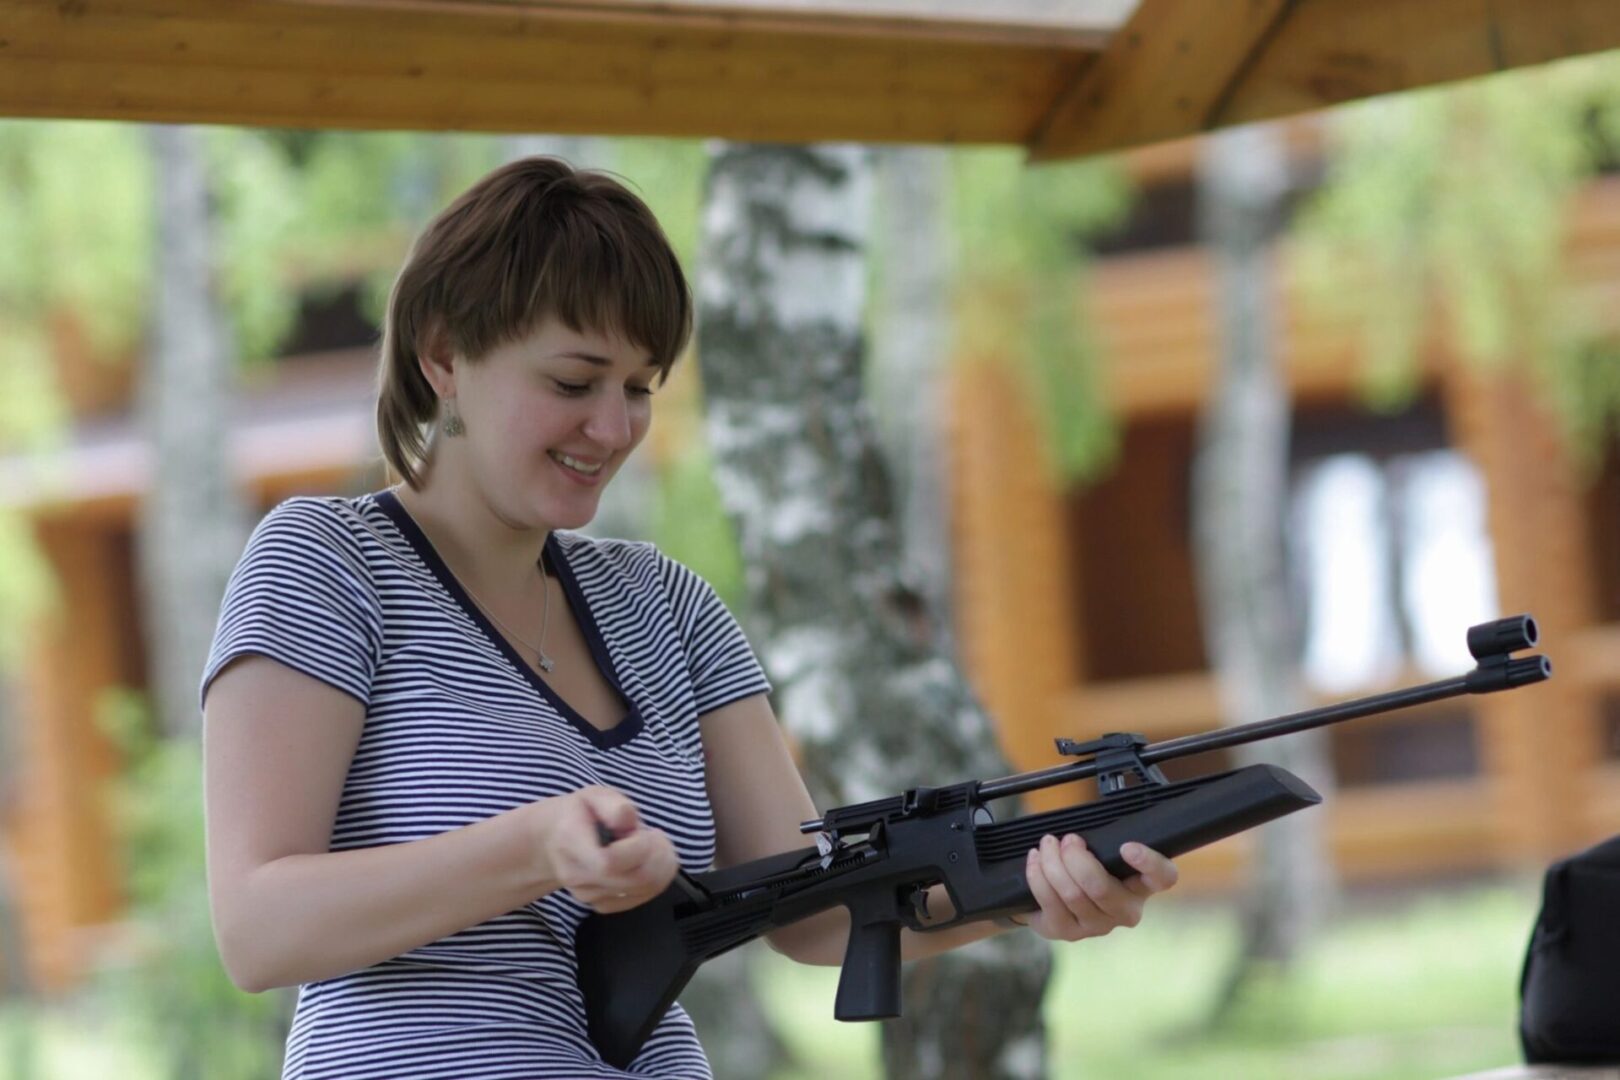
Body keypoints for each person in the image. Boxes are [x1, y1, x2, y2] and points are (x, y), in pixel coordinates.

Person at [200, 156, 1180, 1080]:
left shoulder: (668, 605)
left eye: (639, 389)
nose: (616, 428)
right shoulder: (325, 563)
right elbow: (257, 930)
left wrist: (1024, 897)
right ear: (445, 356)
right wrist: (535, 848)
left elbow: (809, 913)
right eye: (574, 383)